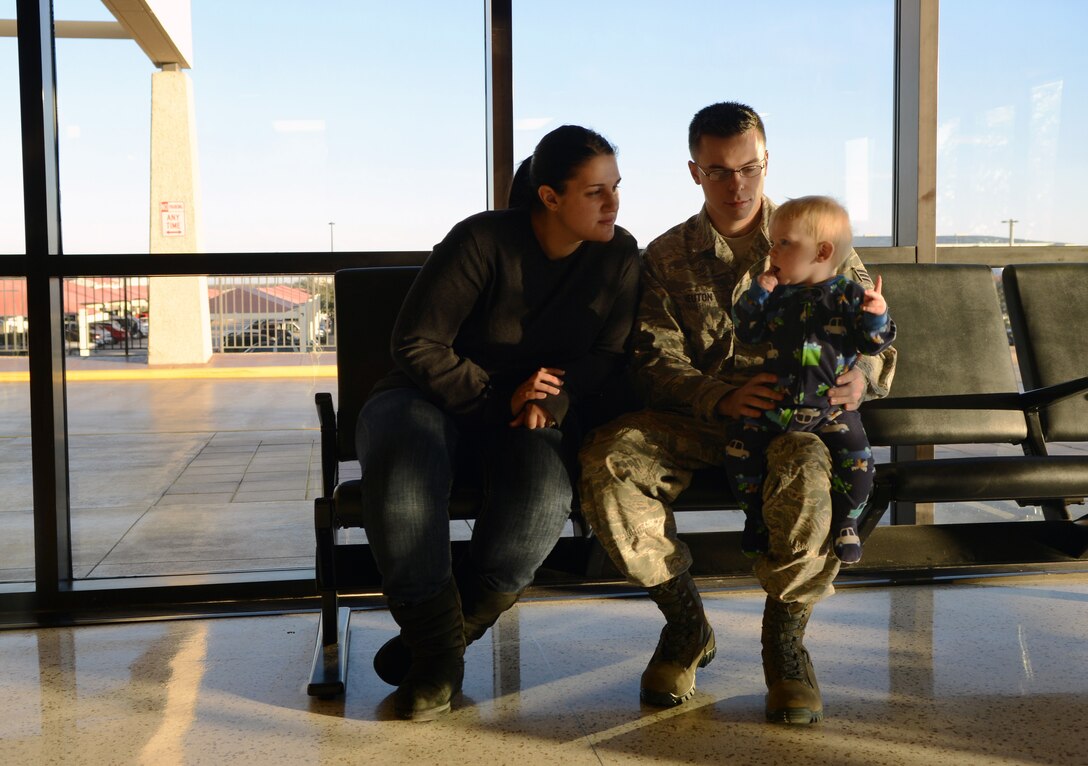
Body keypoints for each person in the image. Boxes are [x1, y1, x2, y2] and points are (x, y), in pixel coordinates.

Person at [578, 102, 896, 724]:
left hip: (798, 419)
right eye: (719, 171)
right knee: (610, 460)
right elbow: (653, 358)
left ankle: (785, 642)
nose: (737, 184)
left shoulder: (815, 235)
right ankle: (685, 627)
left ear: (766, 161)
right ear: (695, 172)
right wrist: (717, 396)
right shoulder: (668, 255)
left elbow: (878, 335)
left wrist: (861, 377)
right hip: (705, 416)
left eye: (749, 168)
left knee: (810, 472)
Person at [356, 124, 640, 721]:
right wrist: (499, 396)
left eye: (616, 187)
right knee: (405, 484)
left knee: (542, 499)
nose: (612, 203)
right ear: (550, 197)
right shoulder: (482, 239)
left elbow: (607, 356)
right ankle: (437, 661)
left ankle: (435, 646)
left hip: (533, 406)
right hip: (428, 395)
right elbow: (417, 342)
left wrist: (551, 398)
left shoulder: (617, 254)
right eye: (595, 192)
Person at [726, 195, 896, 565]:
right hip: (774, 403)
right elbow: (748, 332)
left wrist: (877, 315)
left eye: (784, 243)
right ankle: (754, 518)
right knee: (740, 452)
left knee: (859, 460)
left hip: (830, 407)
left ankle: (847, 521)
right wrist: (757, 295)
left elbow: (874, 344)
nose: (773, 250)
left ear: (822, 252)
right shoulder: (777, 296)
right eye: (774, 242)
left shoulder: (849, 296)